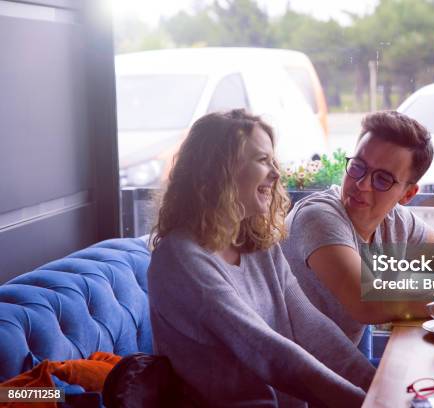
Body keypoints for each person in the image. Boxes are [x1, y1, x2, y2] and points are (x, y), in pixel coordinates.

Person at [147, 109, 374, 407]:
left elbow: (313, 328)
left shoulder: (256, 243)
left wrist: (377, 386)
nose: (276, 173)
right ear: (220, 170)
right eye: (262, 160)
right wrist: (370, 401)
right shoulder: (181, 258)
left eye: (388, 178)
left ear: (409, 191)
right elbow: (267, 350)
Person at [281, 110, 434, 344]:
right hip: (294, 380)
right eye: (357, 166)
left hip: (338, 369)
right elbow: (368, 303)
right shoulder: (317, 217)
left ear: (408, 194)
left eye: (382, 179)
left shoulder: (396, 221)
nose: (362, 184)